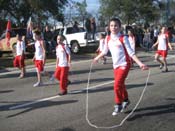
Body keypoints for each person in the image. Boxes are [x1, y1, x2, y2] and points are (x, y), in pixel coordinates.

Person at [93, 18, 148, 116]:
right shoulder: (108, 38)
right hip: (116, 66)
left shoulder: (123, 38)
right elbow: (105, 51)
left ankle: (118, 104)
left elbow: (131, 53)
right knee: (121, 84)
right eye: (111, 25)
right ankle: (126, 100)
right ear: (109, 27)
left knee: (117, 85)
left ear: (119, 27)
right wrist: (97, 58)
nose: (113, 27)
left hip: (124, 64)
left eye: (115, 25)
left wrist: (140, 64)